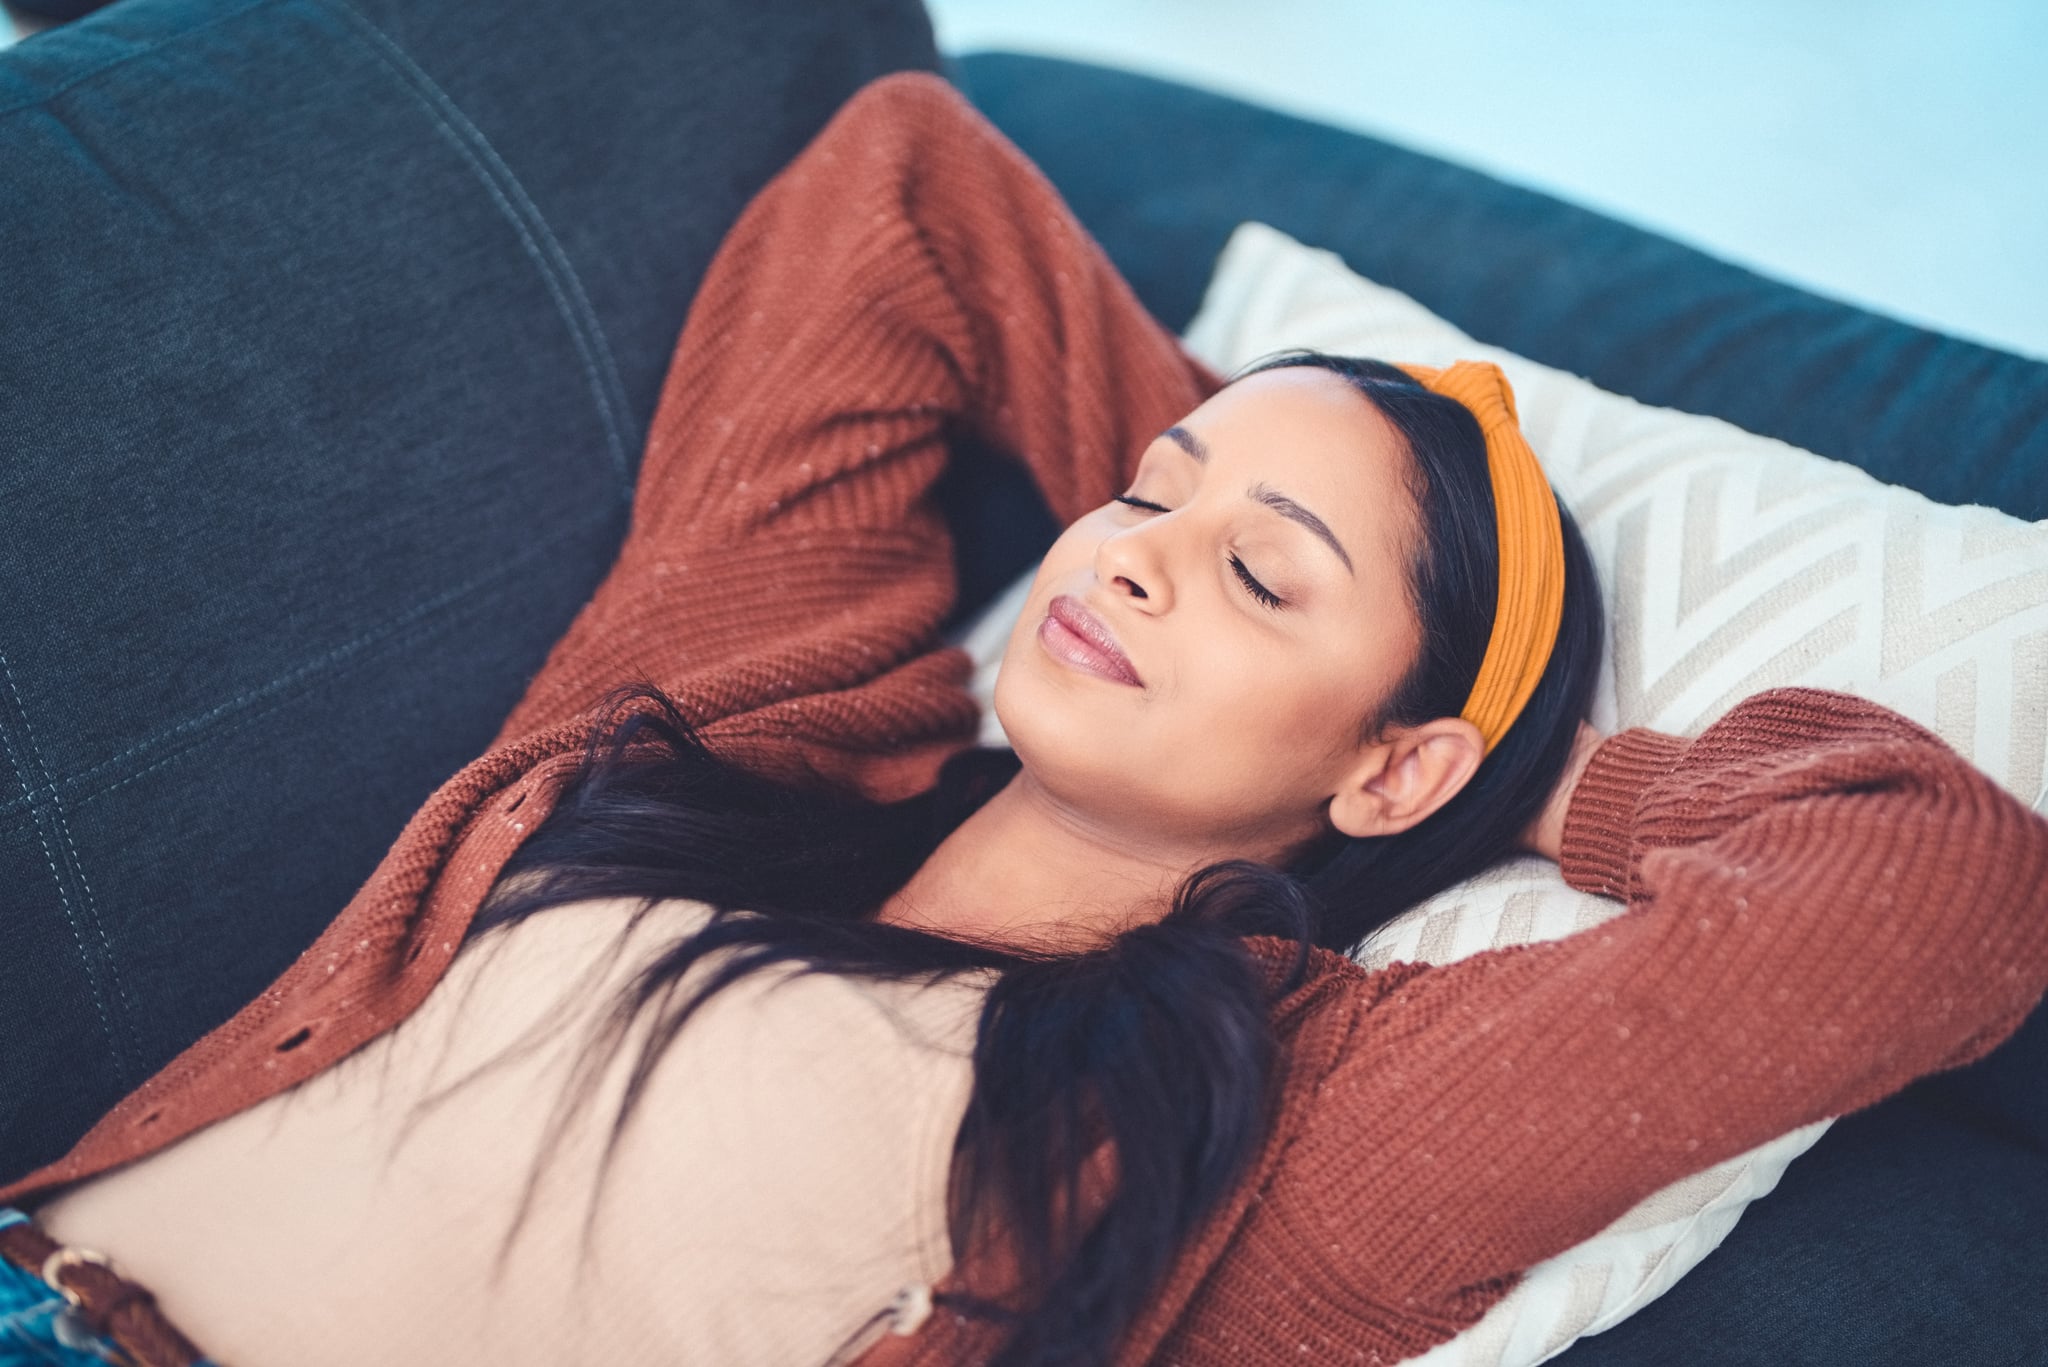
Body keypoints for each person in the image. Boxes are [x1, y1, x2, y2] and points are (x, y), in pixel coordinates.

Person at [2, 72, 2044, 1367]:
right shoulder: (747, 724)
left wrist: (1518, 781)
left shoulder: (1276, 1129)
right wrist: (1211, 525)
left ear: (1395, 765)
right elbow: (907, 186)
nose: (1135, 554)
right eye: (1141, 490)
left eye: (1257, 577)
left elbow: (1934, 893)